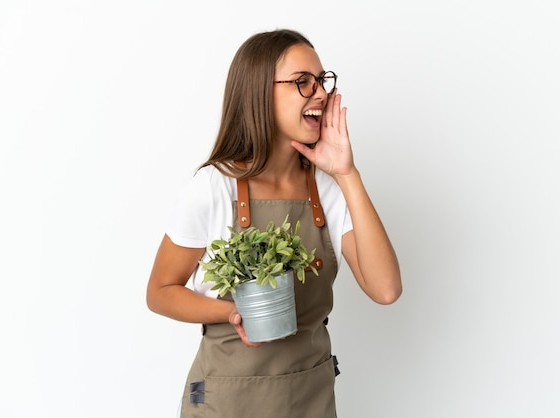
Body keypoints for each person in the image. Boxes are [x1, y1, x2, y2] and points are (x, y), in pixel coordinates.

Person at [146, 28, 402, 418]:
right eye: (302, 82)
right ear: (259, 93)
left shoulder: (328, 190)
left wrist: (348, 174)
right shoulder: (214, 187)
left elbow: (385, 289)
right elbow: (160, 291)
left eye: (322, 81)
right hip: (226, 402)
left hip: (309, 399)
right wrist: (231, 313)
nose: (320, 93)